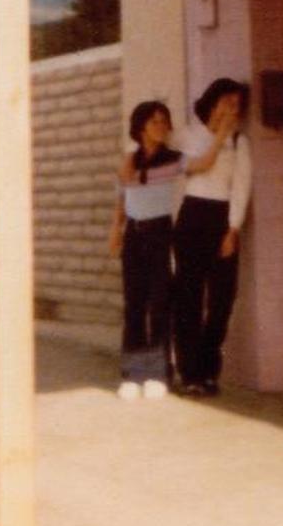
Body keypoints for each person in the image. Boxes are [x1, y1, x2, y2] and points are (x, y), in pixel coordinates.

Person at [108, 99, 223, 395]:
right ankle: (133, 375)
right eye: (155, 121)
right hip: (134, 236)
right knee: (134, 305)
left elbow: (204, 163)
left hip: (159, 234)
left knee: (159, 305)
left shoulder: (172, 159)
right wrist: (115, 231)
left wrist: (222, 133)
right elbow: (122, 196)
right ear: (141, 127)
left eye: (164, 121)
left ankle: (158, 375)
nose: (161, 126)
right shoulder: (129, 160)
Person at [172, 77, 252, 396]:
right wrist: (219, 137)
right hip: (193, 214)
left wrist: (232, 229)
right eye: (228, 102)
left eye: (238, 104)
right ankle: (189, 373)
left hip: (222, 218)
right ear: (213, 102)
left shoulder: (240, 142)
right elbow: (193, 168)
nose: (233, 109)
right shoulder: (189, 135)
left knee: (222, 299)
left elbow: (241, 187)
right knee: (188, 297)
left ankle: (208, 369)